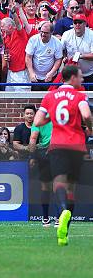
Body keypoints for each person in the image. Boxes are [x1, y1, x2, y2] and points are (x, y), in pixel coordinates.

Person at [34, 65, 92, 246]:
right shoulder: (80, 96)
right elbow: (86, 114)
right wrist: (90, 127)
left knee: (58, 182)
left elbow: (37, 121)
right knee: (71, 188)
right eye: (80, 77)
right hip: (77, 144)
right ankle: (64, 233)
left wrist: (52, 117)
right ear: (72, 78)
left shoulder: (50, 96)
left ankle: (63, 212)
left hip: (57, 144)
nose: (82, 80)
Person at [29, 117, 54, 227]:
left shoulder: (39, 119)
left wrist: (32, 156)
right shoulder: (60, 115)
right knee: (60, 185)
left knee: (45, 187)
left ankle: (45, 218)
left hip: (44, 154)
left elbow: (33, 138)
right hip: (59, 152)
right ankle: (59, 219)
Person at [25, 21, 63, 90]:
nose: (42, 34)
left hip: (50, 76)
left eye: (46, 33)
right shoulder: (33, 39)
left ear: (51, 33)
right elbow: (28, 57)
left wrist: (51, 73)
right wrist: (31, 73)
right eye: (41, 32)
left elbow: (58, 60)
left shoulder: (57, 43)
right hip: (35, 76)